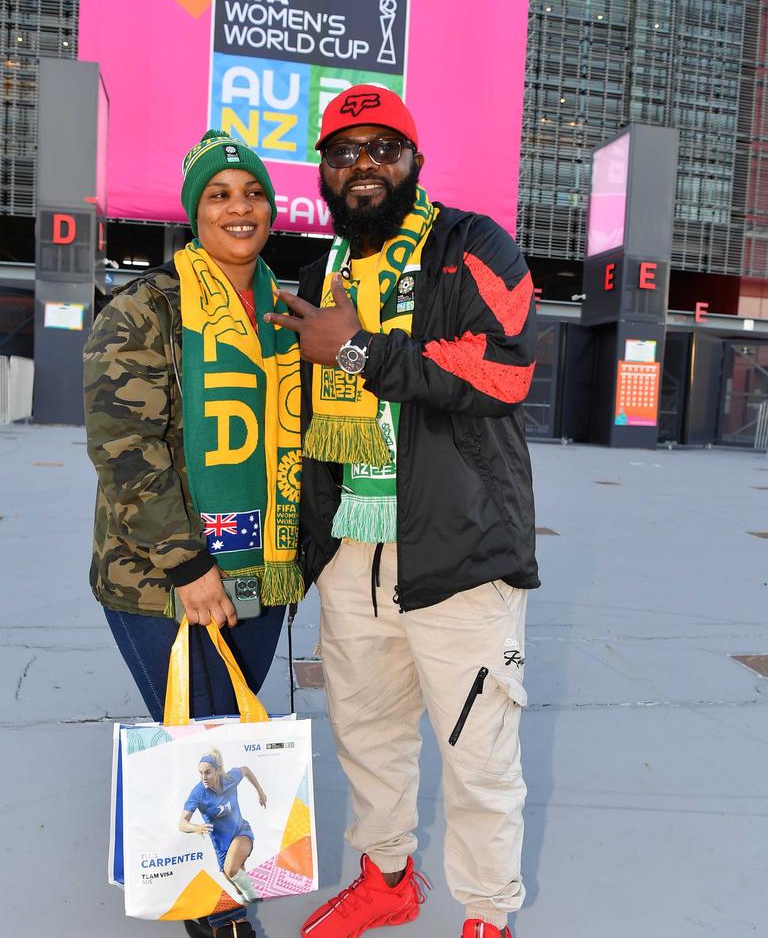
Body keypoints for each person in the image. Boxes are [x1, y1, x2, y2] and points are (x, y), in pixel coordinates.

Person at [264, 85, 539, 938]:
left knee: (478, 752)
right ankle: (387, 878)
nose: (365, 165)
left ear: (415, 162)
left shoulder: (472, 245)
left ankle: (488, 917)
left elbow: (502, 375)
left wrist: (354, 347)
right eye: (345, 152)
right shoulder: (320, 274)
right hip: (354, 547)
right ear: (325, 172)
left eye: (384, 148)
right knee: (368, 734)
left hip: (460, 549)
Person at [84, 130, 304, 938]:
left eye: (251, 192)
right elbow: (122, 448)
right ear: (193, 212)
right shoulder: (146, 307)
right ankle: (217, 918)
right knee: (198, 742)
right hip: (162, 582)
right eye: (219, 194)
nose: (238, 207)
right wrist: (185, 566)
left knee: (228, 741)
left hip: (263, 576)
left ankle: (218, 896)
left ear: (271, 209)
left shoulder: (286, 311)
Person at [180, 749, 267, 904]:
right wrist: (196, 827)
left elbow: (246, 770)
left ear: (218, 771)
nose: (203, 778)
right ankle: (248, 906)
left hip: (240, 832)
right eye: (200, 773)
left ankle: (256, 901)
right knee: (238, 886)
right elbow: (182, 823)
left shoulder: (230, 778)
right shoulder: (198, 793)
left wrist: (260, 792)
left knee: (231, 870)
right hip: (221, 844)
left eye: (207, 772)